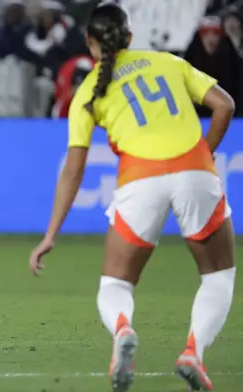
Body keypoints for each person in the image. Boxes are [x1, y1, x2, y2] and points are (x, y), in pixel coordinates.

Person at [29, 3, 236, 392]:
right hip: (196, 172)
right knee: (218, 276)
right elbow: (224, 105)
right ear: (129, 37)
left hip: (140, 181)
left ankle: (123, 330)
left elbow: (73, 169)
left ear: (90, 43)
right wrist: (204, 153)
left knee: (116, 284)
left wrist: (50, 234)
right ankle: (193, 352)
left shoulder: (88, 91)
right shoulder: (167, 62)